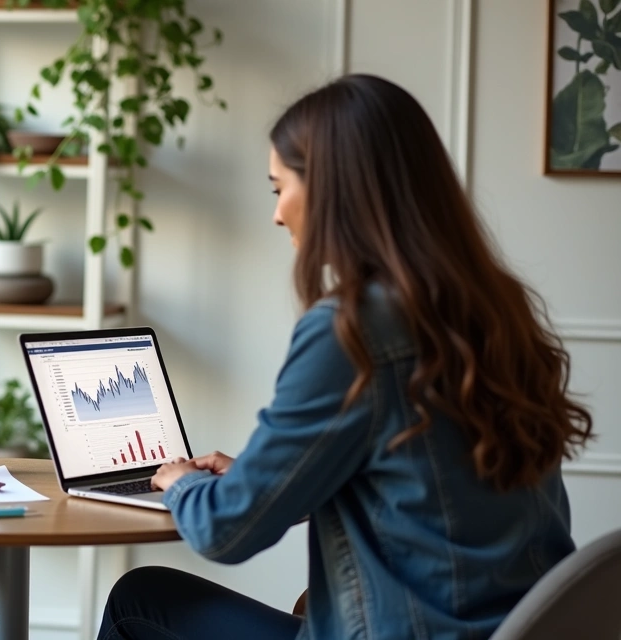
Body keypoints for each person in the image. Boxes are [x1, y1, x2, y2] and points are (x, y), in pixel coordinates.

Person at [98, 74, 594, 640]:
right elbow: (424, 493)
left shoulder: (353, 330)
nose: (278, 214)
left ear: (334, 189)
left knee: (140, 598)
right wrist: (268, 480)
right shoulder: (492, 309)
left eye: (277, 188)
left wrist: (182, 482)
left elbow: (225, 532)